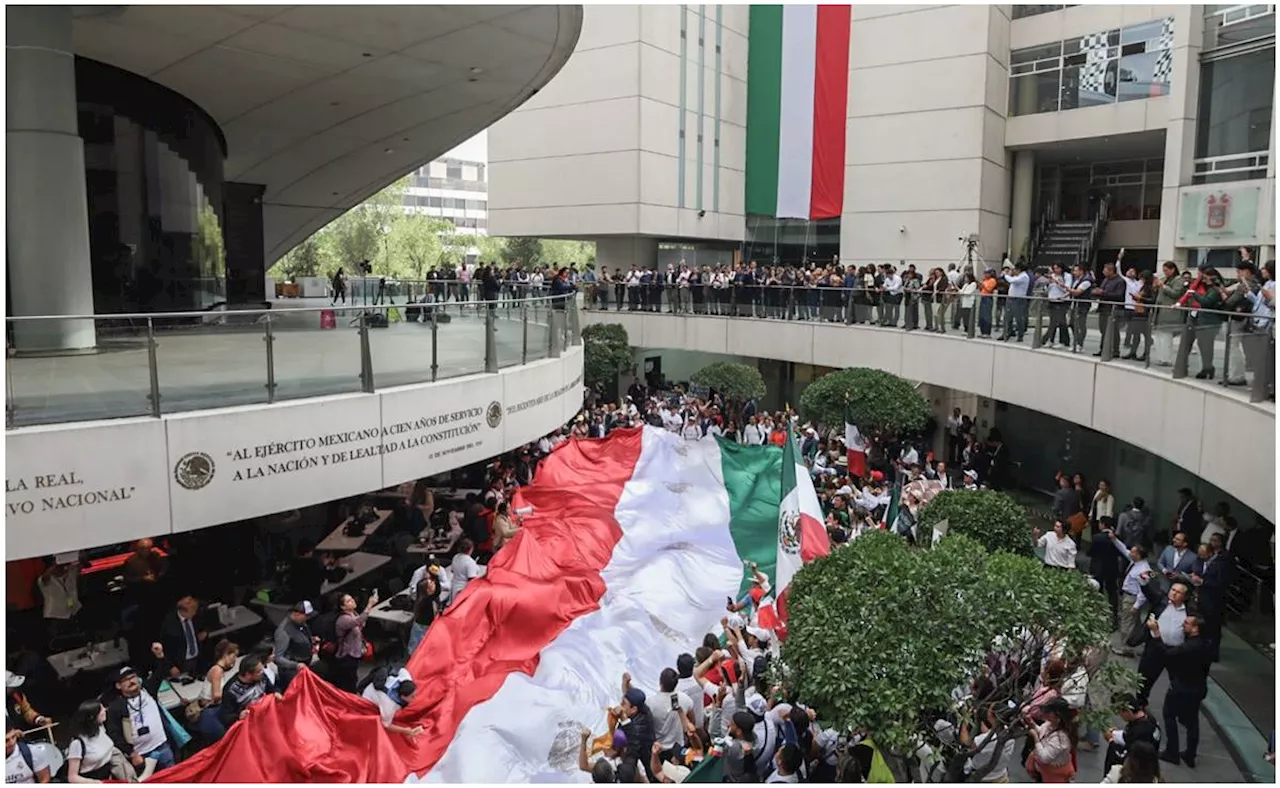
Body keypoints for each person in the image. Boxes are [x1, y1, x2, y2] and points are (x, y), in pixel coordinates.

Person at [1150, 613, 1211, 768]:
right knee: (1192, 722)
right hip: (1198, 687)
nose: (1183, 625)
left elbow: (1166, 655)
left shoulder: (1188, 647)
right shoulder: (1205, 645)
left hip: (1182, 686)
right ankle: (1190, 754)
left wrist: (1157, 634)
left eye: (1187, 623)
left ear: (1195, 628)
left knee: (1169, 715)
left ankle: (1172, 751)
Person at [105, 665, 176, 773]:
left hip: (162, 746)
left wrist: (160, 656)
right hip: (140, 755)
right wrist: (131, 753)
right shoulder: (116, 707)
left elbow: (161, 671)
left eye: (133, 677)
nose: (131, 681)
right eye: (125, 680)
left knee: (173, 779)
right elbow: (114, 734)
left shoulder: (149, 690)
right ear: (118, 686)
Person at [1102, 694, 1161, 778]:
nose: (1120, 716)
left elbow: (1125, 755)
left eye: (1120, 712)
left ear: (1127, 711)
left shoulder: (1139, 731)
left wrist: (1111, 740)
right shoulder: (1149, 719)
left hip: (1139, 769)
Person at [359, 665, 424, 738]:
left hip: (377, 691)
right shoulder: (389, 705)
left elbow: (402, 670)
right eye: (412, 696)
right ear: (403, 696)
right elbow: (386, 725)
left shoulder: (405, 679)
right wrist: (404, 730)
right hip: (368, 698)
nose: (415, 698)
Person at [332, 591, 378, 692]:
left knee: (353, 676)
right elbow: (358, 621)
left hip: (355, 652)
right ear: (343, 607)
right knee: (349, 680)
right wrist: (369, 605)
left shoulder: (353, 613)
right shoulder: (343, 619)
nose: (352, 601)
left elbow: (361, 623)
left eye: (352, 599)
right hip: (347, 655)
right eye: (348, 601)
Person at [64, 700, 121, 783]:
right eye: (101, 709)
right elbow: (72, 777)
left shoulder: (100, 728)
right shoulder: (77, 743)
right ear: (92, 716)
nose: (105, 710)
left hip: (108, 775)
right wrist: (96, 783)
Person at [218, 654, 280, 728]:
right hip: (247, 723)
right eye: (259, 671)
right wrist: (239, 716)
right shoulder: (231, 691)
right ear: (248, 674)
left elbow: (272, 688)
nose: (262, 672)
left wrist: (276, 692)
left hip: (263, 713)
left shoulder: (261, 676)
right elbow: (226, 717)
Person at [1024, 697, 1077, 783]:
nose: (1045, 713)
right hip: (1044, 772)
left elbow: (1044, 758)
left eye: (1048, 711)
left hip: (1054, 775)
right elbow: (1042, 732)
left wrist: (1035, 738)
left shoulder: (1061, 738)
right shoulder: (1051, 724)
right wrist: (1032, 723)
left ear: (1058, 715)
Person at [155, 596, 207, 678]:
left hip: (197, 661)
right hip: (179, 664)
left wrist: (204, 633)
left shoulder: (196, 617)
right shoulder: (169, 624)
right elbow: (164, 648)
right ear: (184, 611)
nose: (196, 612)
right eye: (193, 610)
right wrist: (170, 666)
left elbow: (205, 625)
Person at [274, 600, 318, 691]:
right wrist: (295, 665)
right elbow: (278, 658)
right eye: (306, 616)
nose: (308, 618)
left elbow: (299, 637)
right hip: (291, 672)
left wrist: (310, 640)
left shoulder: (301, 623)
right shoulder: (283, 632)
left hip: (304, 665)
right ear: (296, 614)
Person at [408, 576, 440, 655]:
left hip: (427, 628)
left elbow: (437, 592)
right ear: (427, 590)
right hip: (422, 630)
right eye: (431, 583)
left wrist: (434, 577)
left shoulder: (428, 598)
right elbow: (436, 592)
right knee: (420, 652)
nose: (433, 583)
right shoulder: (425, 602)